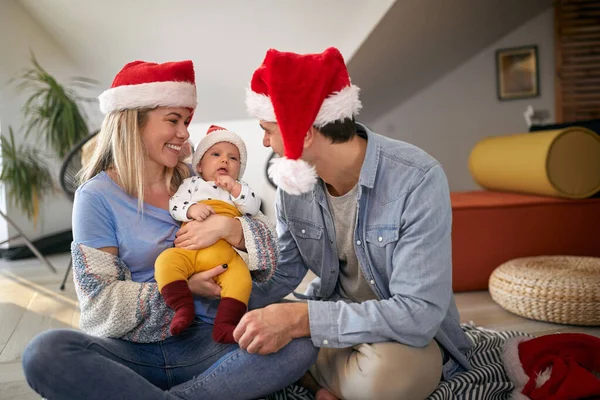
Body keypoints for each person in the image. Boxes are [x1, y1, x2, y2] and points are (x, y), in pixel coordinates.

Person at [21, 60, 318, 400]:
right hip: (132, 352)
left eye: (186, 122)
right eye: (173, 121)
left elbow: (270, 254)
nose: (184, 133)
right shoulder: (96, 197)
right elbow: (99, 301)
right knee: (44, 352)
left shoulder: (196, 179)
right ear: (134, 123)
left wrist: (229, 227)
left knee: (300, 344)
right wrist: (184, 289)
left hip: (208, 341)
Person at [234, 47, 473, 400]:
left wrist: (301, 322)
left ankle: (304, 371)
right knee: (245, 330)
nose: (266, 141)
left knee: (385, 380)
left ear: (303, 132)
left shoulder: (417, 179)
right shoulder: (294, 184)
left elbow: (418, 315)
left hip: (398, 336)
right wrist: (228, 292)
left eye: (269, 129)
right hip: (334, 321)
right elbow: (284, 272)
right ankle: (318, 374)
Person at [156, 124, 261, 342]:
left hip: (226, 257)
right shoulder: (192, 184)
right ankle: (182, 308)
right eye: (216, 154)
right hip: (190, 250)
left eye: (233, 158)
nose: (225, 160)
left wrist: (235, 189)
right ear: (200, 165)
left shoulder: (239, 188)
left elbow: (253, 208)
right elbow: (175, 205)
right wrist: (191, 209)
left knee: (242, 282)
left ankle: (225, 325)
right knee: (166, 262)